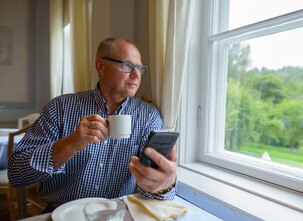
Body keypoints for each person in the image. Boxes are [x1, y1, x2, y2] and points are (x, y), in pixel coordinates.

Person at [8, 38, 177, 211]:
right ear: (101, 66)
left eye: (140, 69)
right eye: (127, 66)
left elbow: (155, 188)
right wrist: (71, 143)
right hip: (60, 216)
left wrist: (164, 186)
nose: (136, 75)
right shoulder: (60, 107)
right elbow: (16, 174)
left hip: (115, 219)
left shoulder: (149, 117)